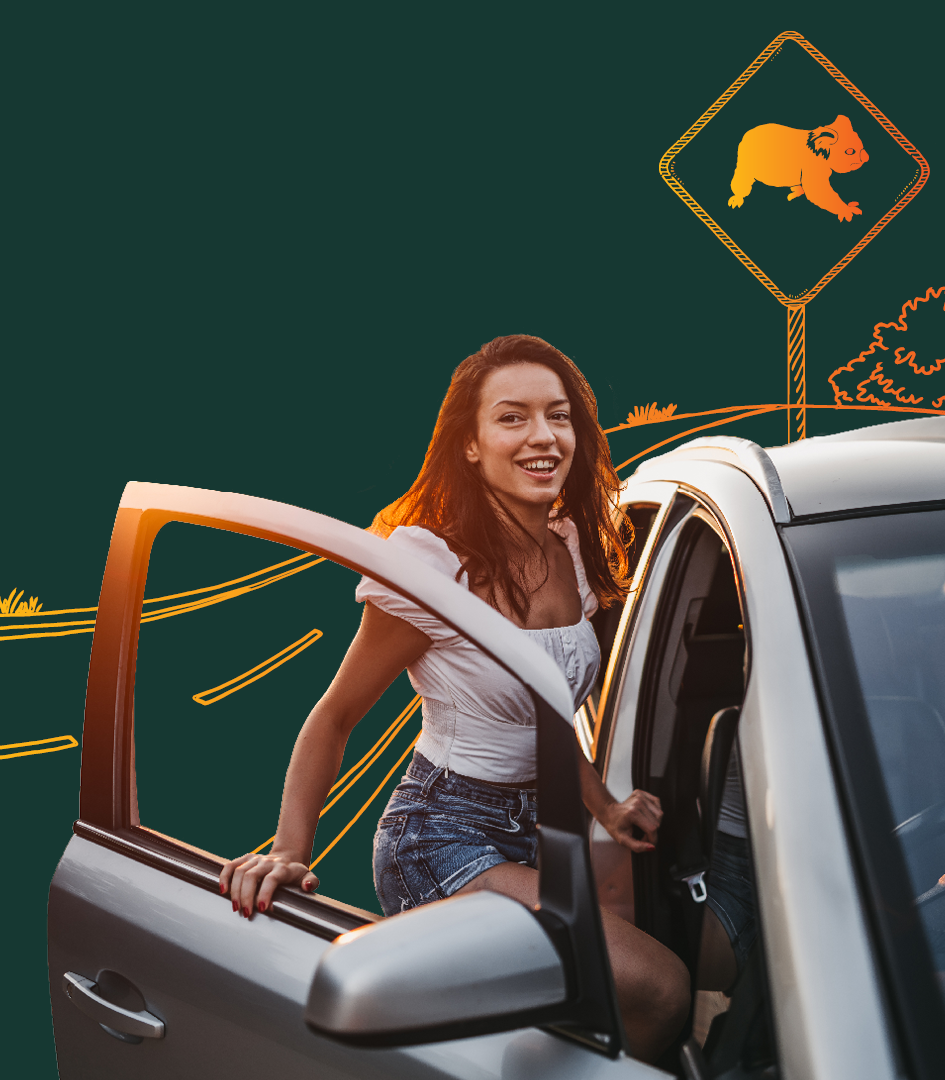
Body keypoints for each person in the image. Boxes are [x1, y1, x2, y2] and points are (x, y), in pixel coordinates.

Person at [219, 334, 690, 1062]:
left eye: (558, 416)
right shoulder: (429, 567)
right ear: (469, 444)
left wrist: (606, 807)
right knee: (659, 988)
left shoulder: (571, 544)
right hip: (442, 834)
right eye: (512, 417)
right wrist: (289, 848)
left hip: (546, 825)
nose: (542, 436)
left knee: (597, 1005)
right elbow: (335, 714)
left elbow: (547, 713)